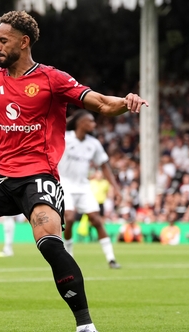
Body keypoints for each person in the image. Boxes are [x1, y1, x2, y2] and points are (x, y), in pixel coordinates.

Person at [0, 10, 147, 332]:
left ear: (23, 42)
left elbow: (100, 103)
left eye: (3, 40)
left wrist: (126, 101)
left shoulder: (52, 79)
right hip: (0, 177)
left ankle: (85, 326)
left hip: (38, 178)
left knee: (50, 243)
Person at [59, 110, 122, 269]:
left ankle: (111, 259)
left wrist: (116, 188)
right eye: (91, 121)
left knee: (96, 220)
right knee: (70, 217)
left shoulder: (93, 144)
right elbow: (52, 128)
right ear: (81, 123)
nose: (94, 124)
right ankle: (69, 257)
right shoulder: (64, 138)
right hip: (64, 184)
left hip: (83, 186)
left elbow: (104, 166)